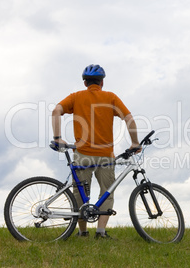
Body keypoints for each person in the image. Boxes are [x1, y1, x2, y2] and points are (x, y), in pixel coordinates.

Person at [52, 64, 139, 239]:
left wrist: (57, 138)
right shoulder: (110, 97)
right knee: (107, 191)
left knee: (80, 193)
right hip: (105, 154)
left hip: (82, 153)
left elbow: (56, 111)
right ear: (102, 82)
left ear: (85, 82)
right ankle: (100, 232)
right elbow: (128, 118)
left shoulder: (76, 97)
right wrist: (135, 142)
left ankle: (82, 232)